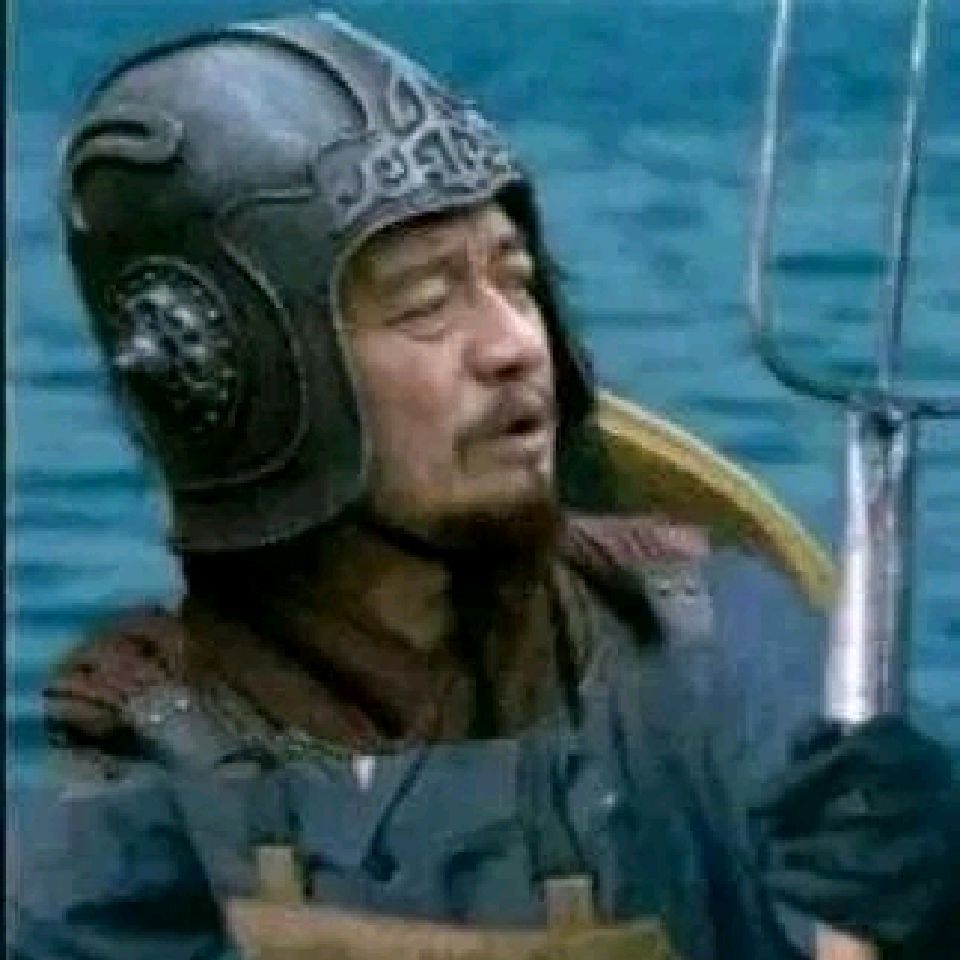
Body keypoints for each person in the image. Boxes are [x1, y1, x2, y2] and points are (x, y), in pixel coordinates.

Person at [9, 12, 958, 960]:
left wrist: (935, 903)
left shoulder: (705, 654)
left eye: (516, 279)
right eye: (426, 304)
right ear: (255, 376)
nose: (514, 344)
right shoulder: (159, 745)